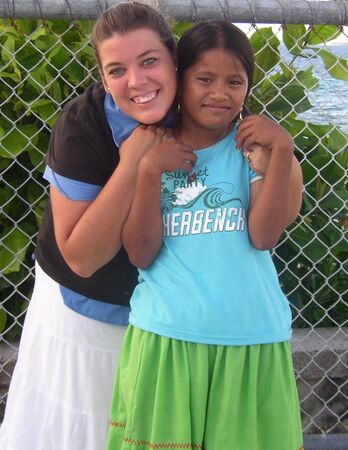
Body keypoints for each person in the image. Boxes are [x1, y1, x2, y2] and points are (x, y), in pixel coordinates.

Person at [106, 20, 304, 450]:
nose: (219, 93)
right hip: (167, 339)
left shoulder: (256, 150)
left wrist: (284, 150)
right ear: (180, 78)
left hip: (249, 338)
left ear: (249, 86)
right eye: (204, 79)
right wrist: (149, 171)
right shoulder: (152, 148)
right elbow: (140, 253)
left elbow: (264, 236)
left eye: (234, 81)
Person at [0, 3, 180, 450]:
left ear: (174, 60)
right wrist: (135, 159)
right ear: (102, 79)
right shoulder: (82, 127)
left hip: (174, 313)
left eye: (150, 61)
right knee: (89, 428)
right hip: (88, 314)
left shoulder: (204, 107)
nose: (136, 82)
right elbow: (82, 257)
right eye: (116, 70)